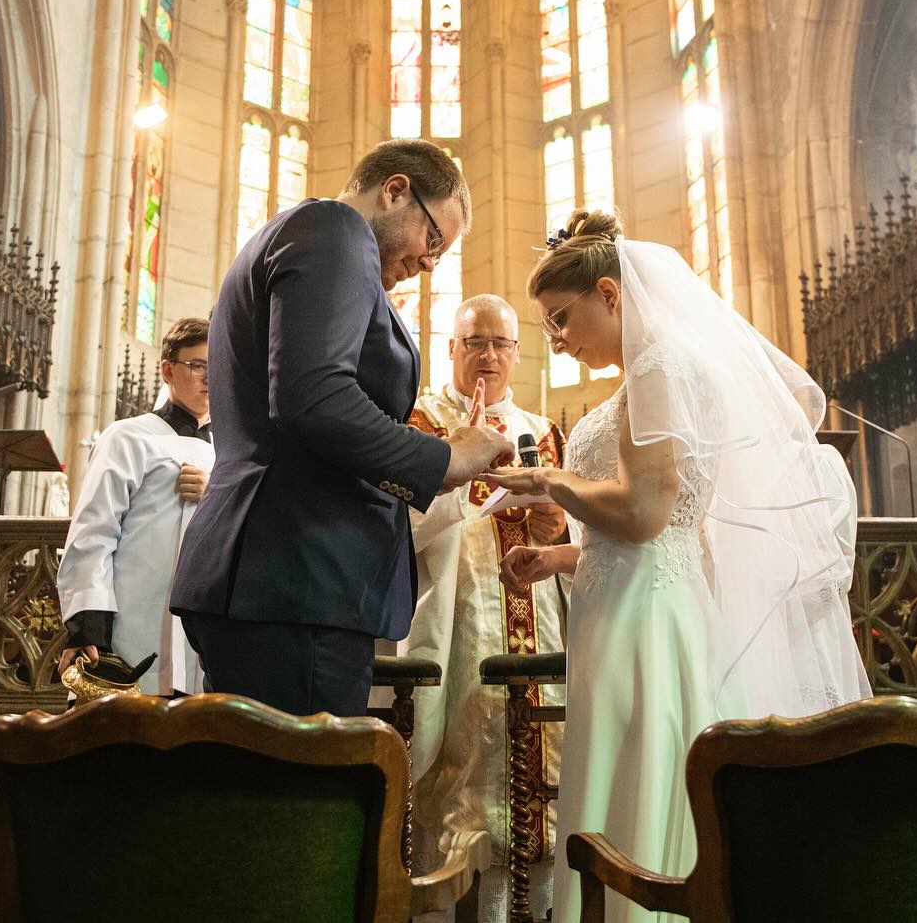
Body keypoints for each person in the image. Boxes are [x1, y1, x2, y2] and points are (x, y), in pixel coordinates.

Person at [485, 211, 872, 923]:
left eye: (563, 318)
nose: (560, 340)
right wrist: (562, 555)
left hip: (648, 623)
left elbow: (644, 514)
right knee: (623, 787)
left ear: (609, 291)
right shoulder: (648, 372)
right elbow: (663, 535)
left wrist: (549, 483)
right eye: (548, 327)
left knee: (641, 796)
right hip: (630, 604)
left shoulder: (663, 365)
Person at [169, 139, 513, 717]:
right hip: (296, 576)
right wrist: (444, 458)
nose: (430, 263)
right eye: (432, 240)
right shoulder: (335, 228)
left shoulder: (303, 238)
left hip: (283, 576)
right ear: (395, 190)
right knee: (298, 796)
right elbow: (313, 396)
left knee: (265, 789)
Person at [404, 294, 567, 923]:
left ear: (518, 354)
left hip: (537, 611)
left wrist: (553, 527)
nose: (489, 356)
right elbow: (403, 525)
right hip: (455, 614)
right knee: (462, 759)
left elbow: (566, 537)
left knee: (541, 743)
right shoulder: (421, 421)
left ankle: (534, 907)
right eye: (476, 341)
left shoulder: (541, 430)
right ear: (451, 349)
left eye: (501, 344)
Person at [57, 317, 215, 697]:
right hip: (133, 626)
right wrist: (87, 626)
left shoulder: (230, 452)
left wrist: (215, 495)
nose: (209, 378)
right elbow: (94, 533)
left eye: (219, 366)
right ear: (167, 370)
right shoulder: (129, 437)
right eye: (198, 366)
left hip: (203, 637)